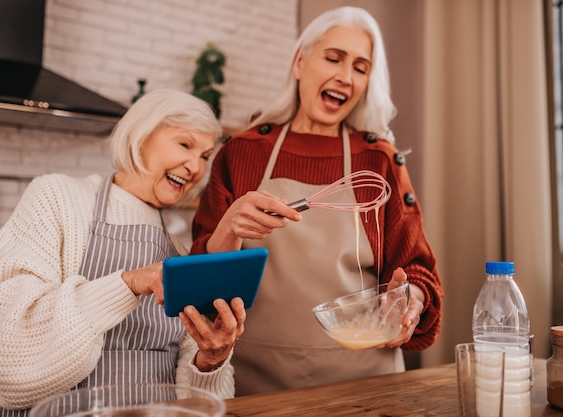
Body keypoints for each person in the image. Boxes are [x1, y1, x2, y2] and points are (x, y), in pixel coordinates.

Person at [190, 6, 444, 396]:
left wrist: (411, 297)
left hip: (364, 379)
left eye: (361, 67)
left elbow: (419, 270)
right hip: (255, 379)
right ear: (300, 61)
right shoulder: (242, 153)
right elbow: (199, 286)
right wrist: (228, 227)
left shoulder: (379, 161)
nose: (346, 76)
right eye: (334, 58)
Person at [0, 89, 245, 416]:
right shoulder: (57, 197)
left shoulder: (179, 248)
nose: (195, 167)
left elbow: (196, 399)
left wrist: (210, 360)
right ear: (140, 138)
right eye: (185, 145)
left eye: (205, 155)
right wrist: (127, 284)